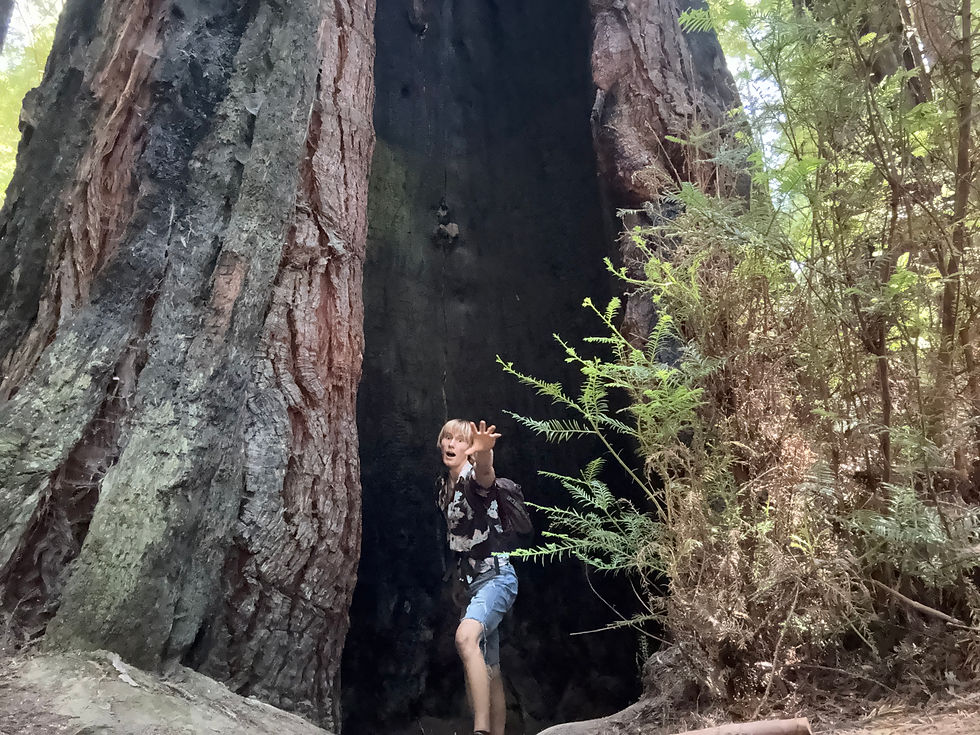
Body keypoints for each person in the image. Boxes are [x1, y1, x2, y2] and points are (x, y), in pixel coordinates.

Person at [437, 418, 519, 735]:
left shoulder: (474, 478)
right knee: (489, 667)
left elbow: (487, 476)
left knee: (465, 638)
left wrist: (484, 453)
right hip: (472, 584)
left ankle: (480, 731)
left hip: (497, 577)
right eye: (446, 437)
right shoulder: (442, 486)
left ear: (468, 449)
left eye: (459, 440)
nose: (450, 444)